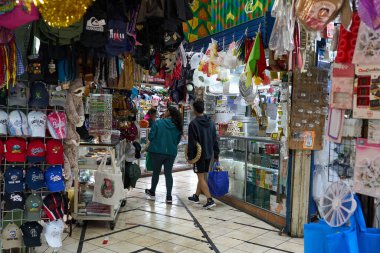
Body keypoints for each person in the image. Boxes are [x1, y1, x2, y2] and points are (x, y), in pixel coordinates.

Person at [145, 106, 182, 203]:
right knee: (168, 173)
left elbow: (151, 137)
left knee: (156, 173)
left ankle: (152, 191)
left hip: (157, 151)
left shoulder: (158, 123)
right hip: (171, 152)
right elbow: (177, 141)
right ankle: (169, 196)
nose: (164, 112)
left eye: (166, 110)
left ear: (169, 112)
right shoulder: (177, 126)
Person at [187, 100, 219, 209]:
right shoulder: (210, 122)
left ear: (194, 110)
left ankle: (209, 200)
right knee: (202, 175)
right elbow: (215, 139)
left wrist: (190, 157)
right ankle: (196, 196)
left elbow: (192, 143)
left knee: (201, 177)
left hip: (199, 155)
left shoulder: (193, 124)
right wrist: (216, 154)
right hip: (209, 154)